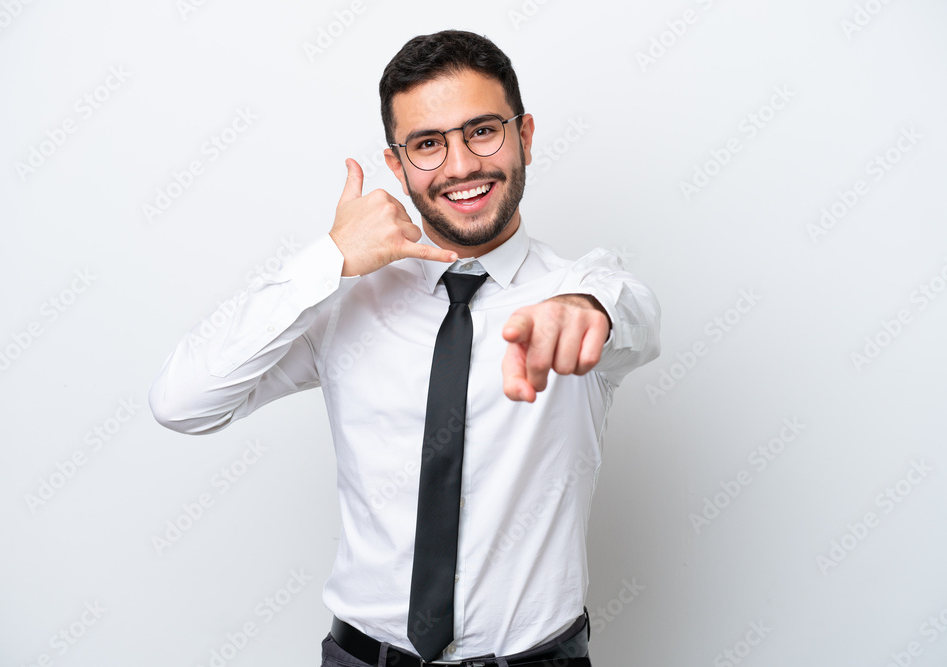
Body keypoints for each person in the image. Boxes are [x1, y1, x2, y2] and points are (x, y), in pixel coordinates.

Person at [149, 29, 660, 667]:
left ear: (524, 135)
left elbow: (634, 318)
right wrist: (330, 258)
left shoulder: (578, 290)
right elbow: (181, 402)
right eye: (427, 144)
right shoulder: (345, 302)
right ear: (398, 165)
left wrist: (586, 314)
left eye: (482, 131)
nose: (461, 166)